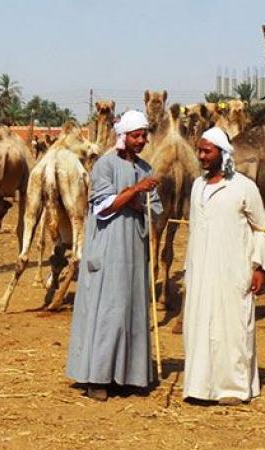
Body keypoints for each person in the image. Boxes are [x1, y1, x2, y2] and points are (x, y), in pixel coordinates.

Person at [66, 110, 162, 402]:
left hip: (134, 249)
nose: (142, 140)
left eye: (144, 135)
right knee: (107, 310)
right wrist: (135, 192)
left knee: (130, 308)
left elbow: (153, 210)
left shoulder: (146, 168)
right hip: (108, 248)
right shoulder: (105, 165)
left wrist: (133, 198)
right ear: (124, 137)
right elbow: (104, 206)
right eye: (136, 136)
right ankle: (97, 377)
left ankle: (128, 376)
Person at [182, 127, 265, 406]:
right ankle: (199, 386)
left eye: (207, 151)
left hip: (233, 271)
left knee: (231, 328)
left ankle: (232, 388)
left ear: (223, 154)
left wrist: (259, 266)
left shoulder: (244, 187)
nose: (202, 156)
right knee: (198, 326)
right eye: (199, 150)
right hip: (200, 271)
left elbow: (262, 230)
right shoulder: (197, 187)